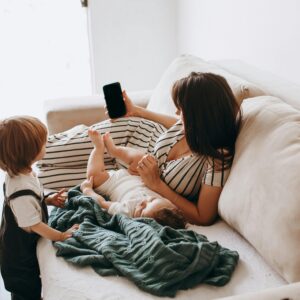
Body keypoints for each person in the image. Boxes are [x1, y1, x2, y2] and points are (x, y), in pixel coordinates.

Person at [100, 72, 241, 226]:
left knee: (82, 184)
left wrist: (156, 184)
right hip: (129, 136)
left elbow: (203, 217)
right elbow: (174, 121)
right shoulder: (188, 126)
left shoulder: (217, 159)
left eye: (181, 109)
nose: (177, 113)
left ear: (199, 116)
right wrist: (136, 111)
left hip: (123, 181)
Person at [0, 116, 79, 300]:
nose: (47, 143)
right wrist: (61, 235)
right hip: (19, 260)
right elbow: (34, 225)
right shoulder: (21, 191)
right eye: (43, 143)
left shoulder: (20, 171)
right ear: (28, 152)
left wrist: (48, 200)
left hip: (18, 249)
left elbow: (31, 202)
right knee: (27, 291)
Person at [80, 128, 186, 230]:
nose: (144, 202)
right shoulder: (164, 203)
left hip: (111, 184)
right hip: (135, 175)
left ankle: (98, 147)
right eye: (152, 199)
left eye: (142, 211)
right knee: (142, 160)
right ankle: (114, 150)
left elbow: (102, 203)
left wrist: (87, 190)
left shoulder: (126, 212)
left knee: (93, 177)